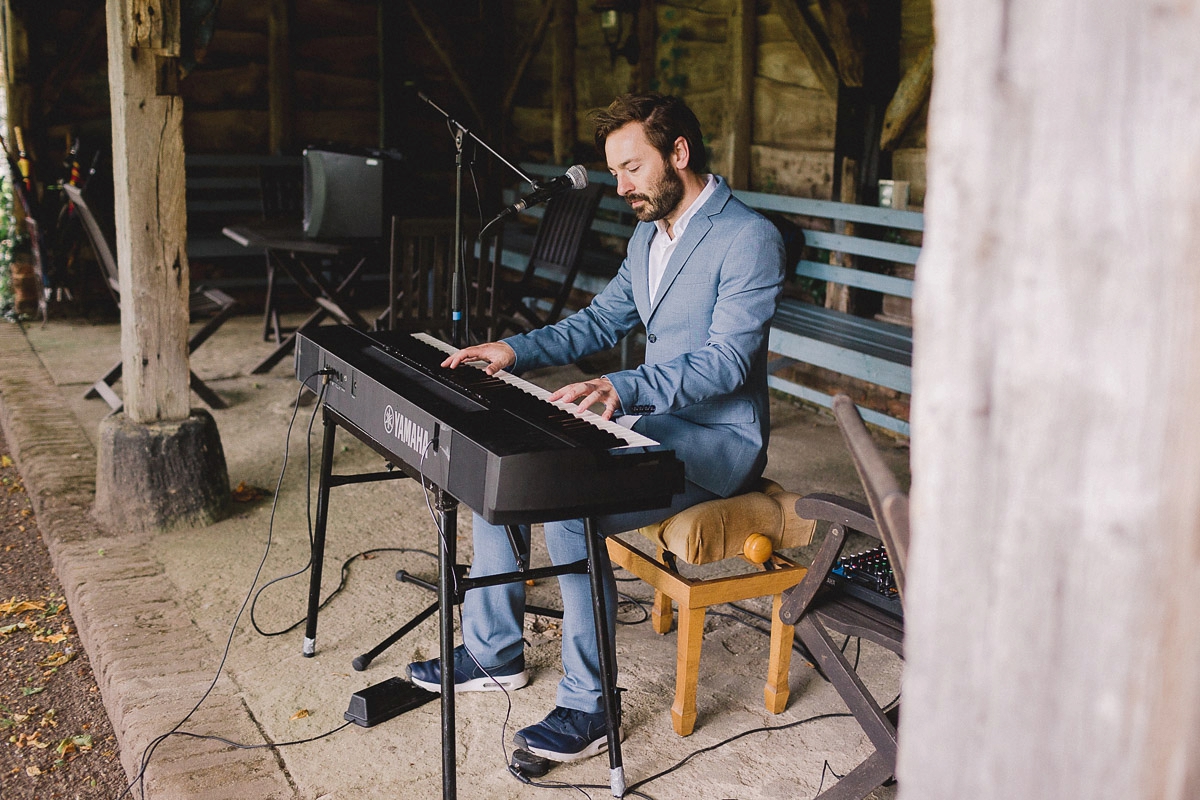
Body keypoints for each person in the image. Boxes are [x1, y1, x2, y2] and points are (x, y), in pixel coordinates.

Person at [407, 92, 785, 765]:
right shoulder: (648, 235)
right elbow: (599, 321)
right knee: (511, 463)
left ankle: (591, 707)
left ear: (680, 153)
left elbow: (726, 363)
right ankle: (494, 653)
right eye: (615, 171)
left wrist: (624, 385)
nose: (621, 187)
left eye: (632, 167)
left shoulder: (747, 237)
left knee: (568, 509)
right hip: (650, 418)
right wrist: (513, 350)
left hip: (715, 440)